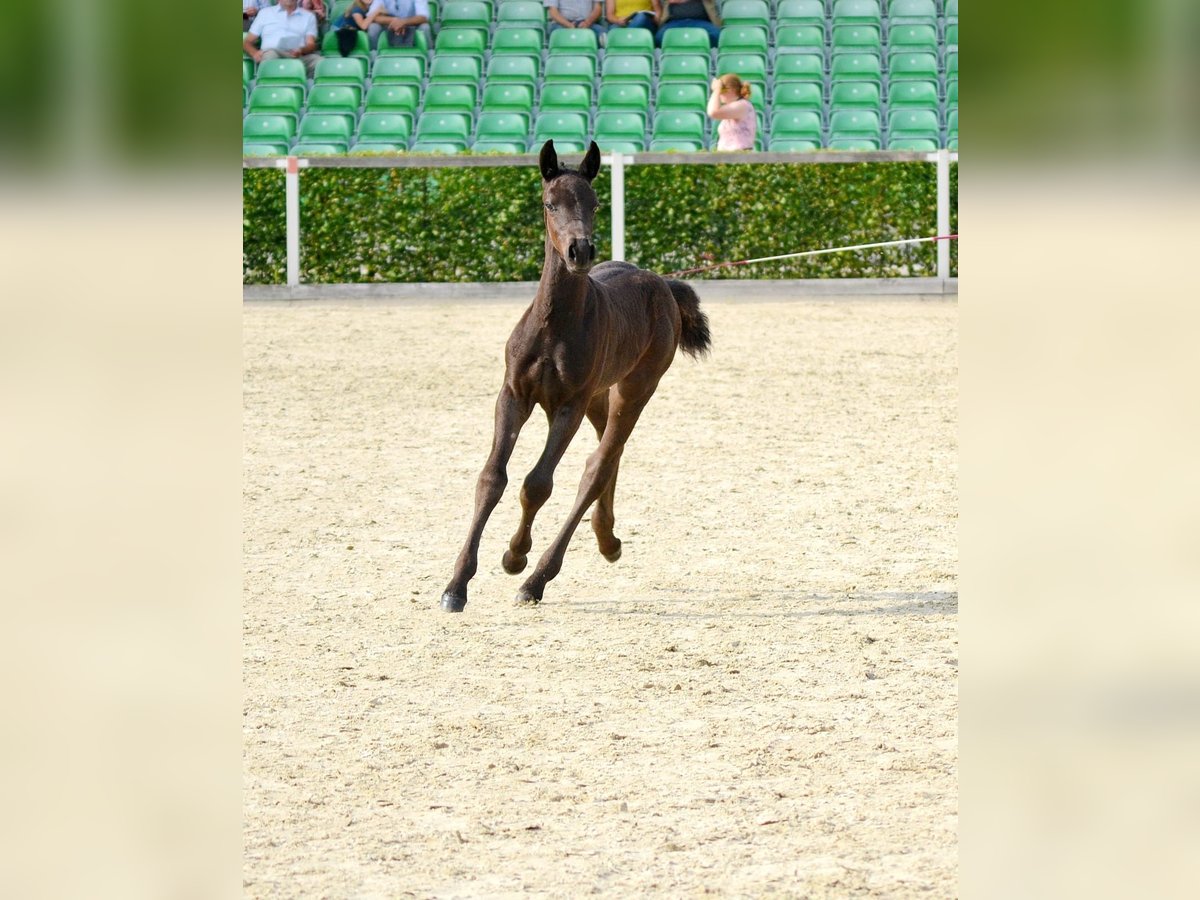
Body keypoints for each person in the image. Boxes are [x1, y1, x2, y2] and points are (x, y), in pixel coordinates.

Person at [243, 0, 321, 78]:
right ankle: (271, 87)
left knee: (320, 63)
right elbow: (247, 42)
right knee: (270, 55)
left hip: (298, 55)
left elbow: (311, 44)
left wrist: (301, 50)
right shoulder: (265, 13)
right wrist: (254, 53)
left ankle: (303, 87)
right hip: (273, 52)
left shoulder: (308, 16)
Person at [707, 74, 756, 151]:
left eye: (721, 91)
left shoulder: (742, 105)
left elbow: (713, 112)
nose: (719, 94)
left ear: (730, 90)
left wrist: (716, 90)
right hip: (728, 157)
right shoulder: (733, 107)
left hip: (739, 158)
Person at [365, 0, 431, 51]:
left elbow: (423, 17)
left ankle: (428, 57)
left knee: (425, 27)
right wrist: (395, 21)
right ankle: (374, 57)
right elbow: (372, 16)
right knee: (373, 27)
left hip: (412, 26)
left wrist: (403, 22)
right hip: (389, 26)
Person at [656, 0, 721, 48]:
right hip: (674, 21)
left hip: (701, 21)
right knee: (660, 37)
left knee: (716, 35)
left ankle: (708, 60)